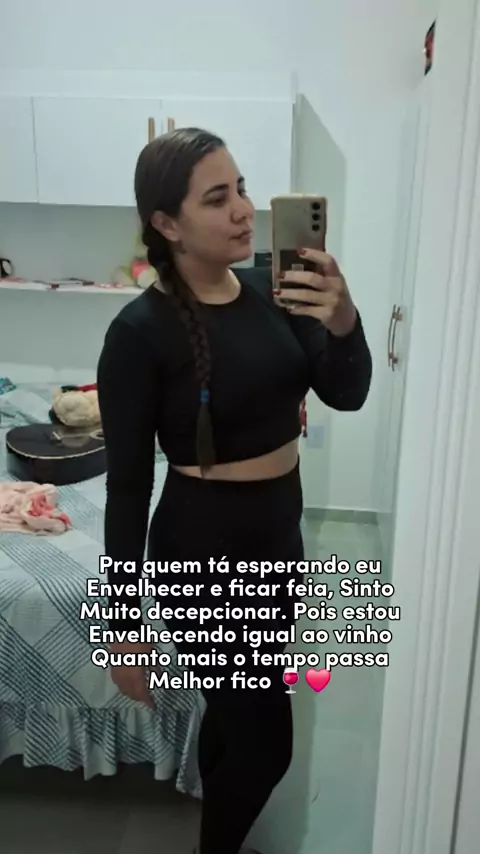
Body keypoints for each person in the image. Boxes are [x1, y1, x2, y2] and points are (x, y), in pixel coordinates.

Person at [96, 127, 372, 854]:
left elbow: (346, 392)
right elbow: (127, 488)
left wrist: (343, 317)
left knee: (234, 715)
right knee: (268, 746)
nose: (245, 210)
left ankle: (214, 823)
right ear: (167, 223)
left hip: (277, 541)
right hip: (202, 556)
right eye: (217, 199)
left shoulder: (271, 291)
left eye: (242, 188)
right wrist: (122, 625)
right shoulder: (138, 333)